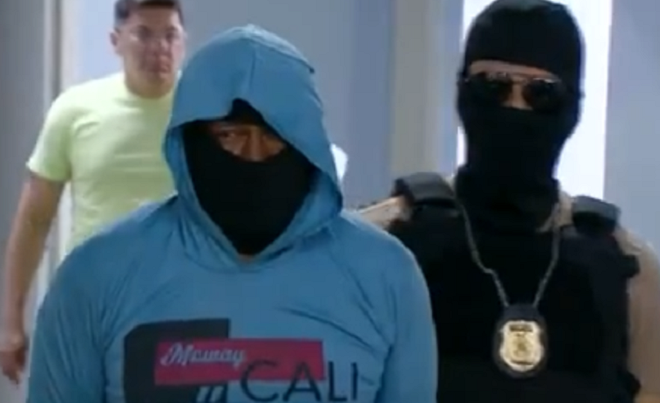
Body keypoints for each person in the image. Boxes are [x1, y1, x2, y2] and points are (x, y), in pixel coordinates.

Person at [26, 25, 436, 403]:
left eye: (275, 135)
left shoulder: (385, 276)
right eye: (230, 135)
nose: (254, 156)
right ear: (190, 141)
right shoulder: (97, 276)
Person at [361, 1, 660, 402]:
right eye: (493, 86)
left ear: (572, 108)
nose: (514, 108)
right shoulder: (375, 247)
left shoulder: (628, 269)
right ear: (463, 93)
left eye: (541, 93)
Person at [0, 0, 186, 384]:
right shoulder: (75, 110)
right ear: (116, 41)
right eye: (144, 34)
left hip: (178, 305)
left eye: (170, 35)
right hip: (89, 304)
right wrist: (11, 320)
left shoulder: (206, 114)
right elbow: (34, 219)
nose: (159, 48)